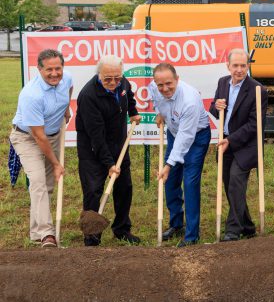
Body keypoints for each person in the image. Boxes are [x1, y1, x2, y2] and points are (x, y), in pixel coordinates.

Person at [75, 55, 142, 246]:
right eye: (108, 79)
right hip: (92, 150)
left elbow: (128, 95)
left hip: (118, 144)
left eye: (117, 78)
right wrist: (109, 164)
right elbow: (96, 136)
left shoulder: (122, 83)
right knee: (93, 191)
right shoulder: (89, 96)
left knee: (124, 188)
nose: (113, 82)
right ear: (99, 75)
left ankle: (122, 229)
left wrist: (133, 112)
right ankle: (91, 234)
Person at [10, 49, 72, 247]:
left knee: (48, 186)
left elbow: (68, 89)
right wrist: (56, 163)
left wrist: (67, 108)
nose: (55, 73)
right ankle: (47, 233)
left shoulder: (67, 79)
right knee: (37, 182)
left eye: (58, 68)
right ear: (39, 69)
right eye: (49, 70)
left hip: (52, 135)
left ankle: (37, 233)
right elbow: (38, 136)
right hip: (28, 138)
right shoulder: (31, 95)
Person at [209, 49, 268, 242]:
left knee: (235, 180)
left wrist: (231, 140)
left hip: (247, 145)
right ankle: (248, 226)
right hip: (225, 142)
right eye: (235, 66)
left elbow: (254, 124)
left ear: (248, 66)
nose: (239, 70)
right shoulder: (222, 83)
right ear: (228, 66)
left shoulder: (258, 90)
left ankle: (233, 230)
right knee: (231, 187)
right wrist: (215, 106)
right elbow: (216, 111)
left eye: (243, 66)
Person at [151, 63, 211, 247]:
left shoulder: (190, 100)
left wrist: (168, 165)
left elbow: (186, 137)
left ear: (177, 79)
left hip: (196, 137)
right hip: (174, 132)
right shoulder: (154, 87)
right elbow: (157, 100)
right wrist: (159, 113)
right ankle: (176, 224)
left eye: (169, 83)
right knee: (170, 182)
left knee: (190, 182)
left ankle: (192, 235)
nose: (165, 88)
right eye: (160, 85)